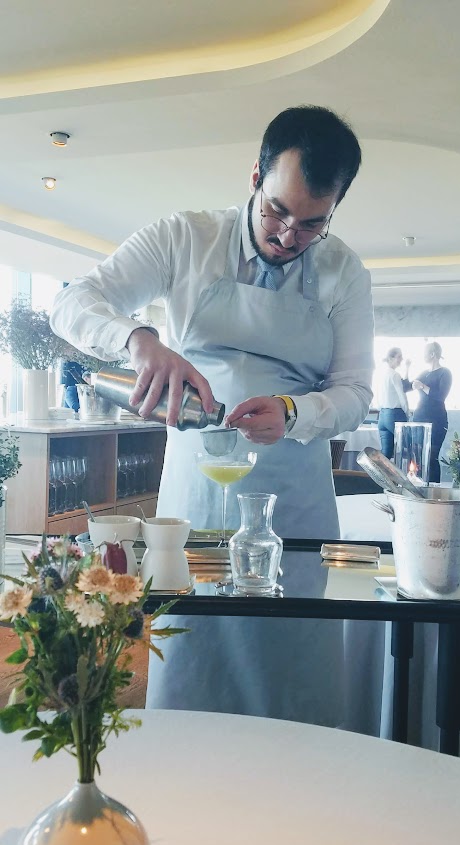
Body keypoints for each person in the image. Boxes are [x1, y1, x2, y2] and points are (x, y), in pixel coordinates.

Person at [50, 105, 374, 726]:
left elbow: (356, 392)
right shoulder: (185, 237)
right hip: (196, 489)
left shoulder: (344, 272)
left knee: (294, 669)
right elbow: (73, 301)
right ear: (254, 175)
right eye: (277, 210)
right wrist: (138, 338)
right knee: (198, 665)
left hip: (296, 498)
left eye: (312, 224)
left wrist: (294, 410)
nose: (287, 236)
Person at [409, 341, 452, 483]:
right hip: (419, 418)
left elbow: (440, 396)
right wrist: (406, 369)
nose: (423, 356)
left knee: (431, 457)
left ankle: (434, 489)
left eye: (425, 353)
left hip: (436, 420)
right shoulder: (424, 373)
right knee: (418, 457)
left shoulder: (445, 372)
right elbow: (407, 386)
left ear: (433, 354)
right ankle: (419, 487)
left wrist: (422, 386)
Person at [377, 347, 409, 459]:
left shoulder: (381, 374)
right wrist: (407, 413)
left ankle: (379, 477)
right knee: (409, 449)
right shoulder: (394, 374)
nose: (401, 359)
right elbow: (402, 395)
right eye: (399, 357)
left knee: (386, 454)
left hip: (382, 415)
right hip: (395, 414)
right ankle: (407, 476)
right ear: (391, 358)